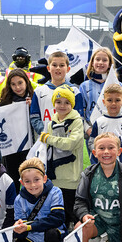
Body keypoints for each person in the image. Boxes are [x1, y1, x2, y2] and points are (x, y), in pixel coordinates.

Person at [12, 157, 67, 242]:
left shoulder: (55, 192)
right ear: (22, 182)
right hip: (33, 237)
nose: (33, 185)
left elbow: (57, 218)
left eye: (36, 180)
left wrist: (30, 226)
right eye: (27, 181)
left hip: (54, 234)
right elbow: (21, 227)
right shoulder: (19, 199)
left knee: (52, 232)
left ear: (44, 178)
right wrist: (18, 228)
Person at [38, 85, 84, 230]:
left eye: (67, 102)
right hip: (56, 176)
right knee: (59, 211)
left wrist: (49, 139)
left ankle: (78, 240)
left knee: (73, 211)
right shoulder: (52, 122)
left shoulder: (77, 122)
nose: (62, 105)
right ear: (54, 104)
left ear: (72, 104)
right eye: (59, 102)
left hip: (71, 178)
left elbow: (70, 144)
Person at [30, 51, 82, 135]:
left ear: (68, 69)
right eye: (54, 65)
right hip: (46, 140)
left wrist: (67, 131)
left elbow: (79, 116)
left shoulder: (75, 91)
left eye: (62, 65)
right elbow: (34, 117)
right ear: (48, 68)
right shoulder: (39, 91)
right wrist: (44, 132)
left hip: (68, 140)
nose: (58, 68)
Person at [0, 68, 34, 191]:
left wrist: (32, 107)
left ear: (26, 82)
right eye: (13, 84)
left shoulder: (35, 98)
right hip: (12, 147)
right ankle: (13, 207)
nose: (17, 87)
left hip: (30, 146)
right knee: (12, 177)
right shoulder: (5, 102)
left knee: (29, 177)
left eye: (20, 83)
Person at [88, 84, 122, 163]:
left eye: (117, 100)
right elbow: (91, 142)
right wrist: (102, 151)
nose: (113, 103)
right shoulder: (99, 122)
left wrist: (120, 150)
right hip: (102, 163)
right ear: (103, 102)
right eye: (109, 100)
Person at [79, 47, 113, 137]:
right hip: (92, 130)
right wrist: (88, 129)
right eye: (97, 59)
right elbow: (80, 112)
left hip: (112, 130)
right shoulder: (84, 86)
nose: (101, 62)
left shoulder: (116, 84)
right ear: (92, 63)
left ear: (109, 64)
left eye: (104, 60)